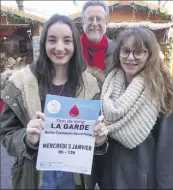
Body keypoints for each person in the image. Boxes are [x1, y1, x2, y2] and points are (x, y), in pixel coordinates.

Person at [0, 14, 108, 190]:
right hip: (36, 177)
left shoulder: (91, 86)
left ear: (75, 45)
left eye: (67, 41)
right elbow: (6, 134)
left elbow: (97, 136)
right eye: (52, 40)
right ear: (43, 44)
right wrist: (27, 139)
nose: (59, 47)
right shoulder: (20, 83)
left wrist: (100, 140)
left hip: (76, 179)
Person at [97, 27, 173, 189]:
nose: (130, 57)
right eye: (125, 51)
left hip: (142, 182)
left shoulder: (162, 92)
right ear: (118, 53)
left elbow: (168, 154)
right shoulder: (107, 89)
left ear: (150, 55)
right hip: (109, 179)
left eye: (139, 52)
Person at [81, 1, 114, 86]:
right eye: (90, 19)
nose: (94, 23)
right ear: (83, 23)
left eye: (99, 19)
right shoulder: (72, 49)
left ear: (105, 23)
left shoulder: (117, 51)